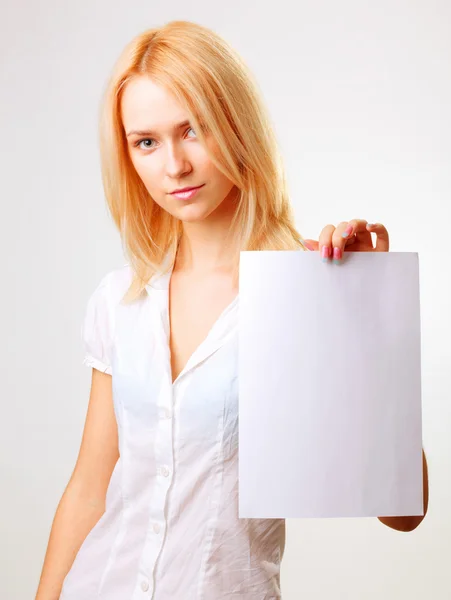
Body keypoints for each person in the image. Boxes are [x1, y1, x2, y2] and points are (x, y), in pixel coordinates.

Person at [35, 19, 428, 600]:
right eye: (146, 141)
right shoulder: (120, 300)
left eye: (192, 130)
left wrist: (359, 320)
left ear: (235, 124)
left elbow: (404, 513)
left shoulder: (308, 292)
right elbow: (90, 487)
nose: (174, 166)